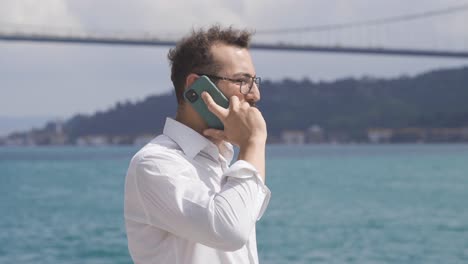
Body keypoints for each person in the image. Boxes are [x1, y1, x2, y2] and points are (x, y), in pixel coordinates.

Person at [124, 25, 271, 264]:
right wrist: (253, 141)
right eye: (242, 81)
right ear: (195, 87)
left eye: (254, 81)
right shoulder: (155, 163)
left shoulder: (224, 159)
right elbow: (230, 231)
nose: (255, 94)